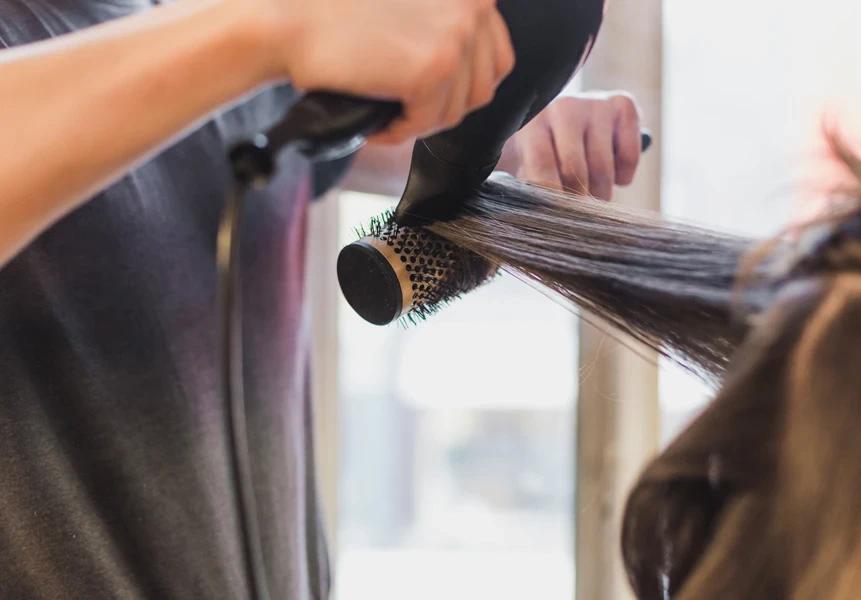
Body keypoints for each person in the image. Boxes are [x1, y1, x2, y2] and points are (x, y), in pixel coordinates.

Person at [0, 0, 644, 598]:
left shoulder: (195, 26)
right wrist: (275, 28)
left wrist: (516, 126)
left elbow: (380, 138)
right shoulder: (233, 32)